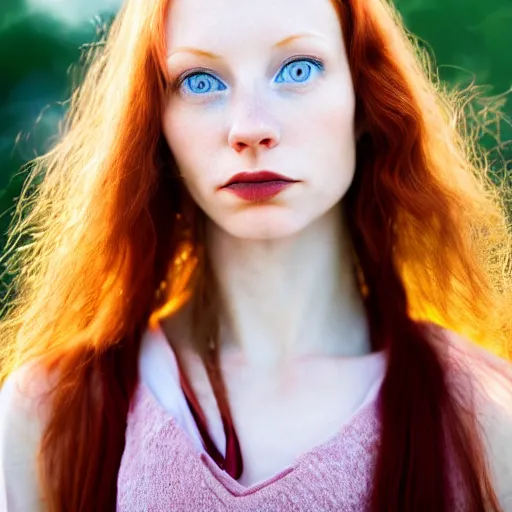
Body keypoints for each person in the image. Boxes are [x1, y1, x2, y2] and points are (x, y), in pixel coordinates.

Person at [0, 0, 511, 510]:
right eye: (200, 81)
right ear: (156, 124)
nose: (249, 127)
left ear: (365, 95)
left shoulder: (484, 418)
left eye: (299, 69)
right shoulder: (51, 414)